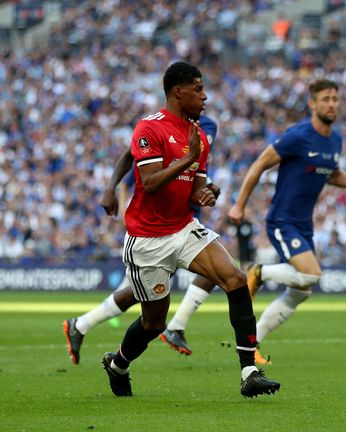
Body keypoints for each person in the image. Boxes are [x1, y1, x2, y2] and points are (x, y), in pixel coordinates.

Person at [97, 61, 278, 398]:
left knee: (235, 280)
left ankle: (249, 372)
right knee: (155, 324)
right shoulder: (149, 129)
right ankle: (118, 364)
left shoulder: (198, 136)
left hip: (182, 228)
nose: (205, 96)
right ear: (178, 92)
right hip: (147, 239)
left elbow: (197, 186)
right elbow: (149, 183)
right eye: (198, 89)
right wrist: (186, 159)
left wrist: (208, 192)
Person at [227, 78, 346, 360]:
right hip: (282, 220)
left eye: (335, 99)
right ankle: (259, 272)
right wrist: (239, 205)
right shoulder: (297, 136)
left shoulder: (335, 140)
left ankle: (253, 344)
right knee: (311, 275)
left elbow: (333, 175)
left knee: (302, 290)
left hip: (304, 225)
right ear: (312, 104)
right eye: (326, 99)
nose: (331, 104)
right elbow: (259, 165)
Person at [62, 115, 239, 362]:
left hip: (184, 219)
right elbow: (130, 156)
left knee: (219, 272)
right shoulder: (157, 126)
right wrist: (111, 190)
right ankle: (84, 326)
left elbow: (196, 166)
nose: (202, 97)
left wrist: (207, 185)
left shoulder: (207, 126)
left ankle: (85, 325)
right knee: (140, 294)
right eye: (197, 90)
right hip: (153, 226)